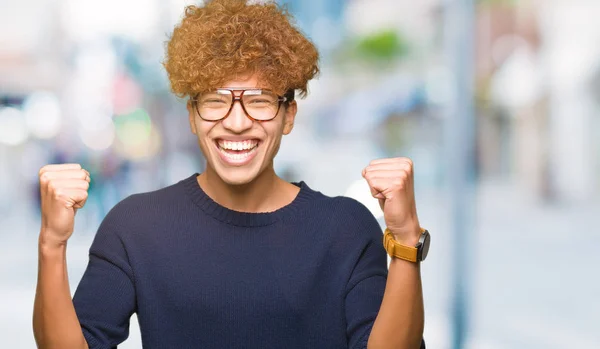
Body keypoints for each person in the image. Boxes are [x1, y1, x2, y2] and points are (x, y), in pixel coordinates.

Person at [32, 0, 428, 348]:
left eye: (258, 101)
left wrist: (407, 240)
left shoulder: (346, 228)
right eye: (215, 101)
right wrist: (52, 243)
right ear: (191, 115)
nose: (236, 122)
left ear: (289, 115)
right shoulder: (136, 226)